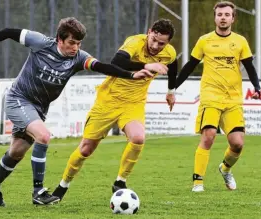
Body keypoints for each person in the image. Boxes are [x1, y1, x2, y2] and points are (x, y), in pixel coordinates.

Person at [0, 17, 154, 206]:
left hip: (38, 108)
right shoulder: (40, 43)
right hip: (18, 99)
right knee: (43, 136)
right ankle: (39, 192)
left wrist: (131, 75)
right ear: (60, 39)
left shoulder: (79, 58)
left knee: (16, 151)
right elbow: (8, 32)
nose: (75, 47)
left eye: (78, 43)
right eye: (71, 42)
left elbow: (101, 66)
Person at [51, 19, 177, 201]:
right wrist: (145, 65)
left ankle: (120, 181)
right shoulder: (135, 42)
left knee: (138, 138)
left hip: (134, 103)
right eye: (154, 40)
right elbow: (117, 61)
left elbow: (172, 65)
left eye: (162, 43)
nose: (156, 46)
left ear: (168, 43)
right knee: (86, 149)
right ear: (149, 32)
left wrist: (171, 91)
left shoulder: (169, 52)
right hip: (108, 101)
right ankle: (63, 185)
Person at [173, 1, 261, 192]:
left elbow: (249, 67)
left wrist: (257, 87)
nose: (223, 18)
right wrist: (173, 88)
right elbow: (189, 66)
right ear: (215, 17)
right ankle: (198, 182)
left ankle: (225, 169)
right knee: (209, 136)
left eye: (227, 14)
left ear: (233, 18)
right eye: (220, 14)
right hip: (210, 97)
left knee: (237, 144)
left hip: (233, 100)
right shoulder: (205, 40)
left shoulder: (240, 41)